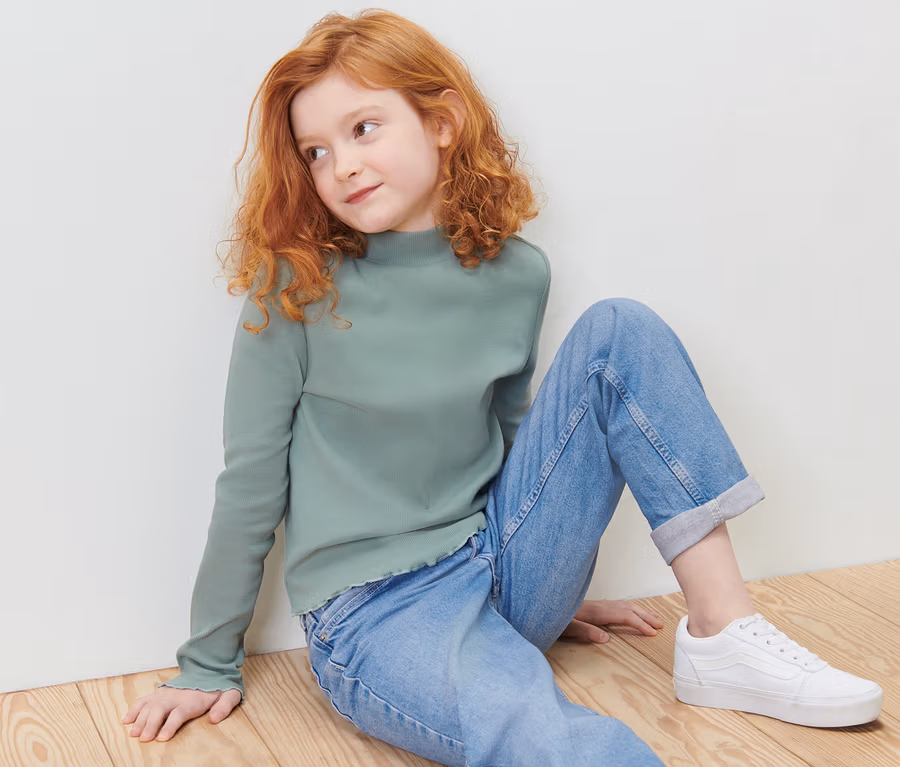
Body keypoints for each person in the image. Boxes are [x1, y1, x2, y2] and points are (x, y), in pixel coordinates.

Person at [121, 9, 883, 765]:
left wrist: (552, 572)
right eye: (316, 151)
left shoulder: (518, 274)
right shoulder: (295, 292)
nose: (341, 165)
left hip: (499, 565)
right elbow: (249, 487)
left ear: (442, 122)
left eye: (363, 129)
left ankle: (723, 633)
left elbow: (521, 448)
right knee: (537, 729)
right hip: (378, 611)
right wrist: (208, 661)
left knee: (620, 330)